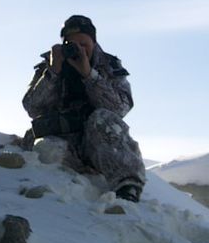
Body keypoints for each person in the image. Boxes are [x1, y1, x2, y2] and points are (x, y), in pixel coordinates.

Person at [22, 14, 146, 201]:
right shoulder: (50, 65)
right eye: (72, 43)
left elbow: (120, 108)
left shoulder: (109, 66)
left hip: (99, 142)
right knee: (44, 147)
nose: (78, 48)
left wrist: (89, 75)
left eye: (84, 43)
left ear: (94, 43)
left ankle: (128, 188)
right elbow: (32, 107)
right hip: (64, 141)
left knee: (103, 118)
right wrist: (53, 72)